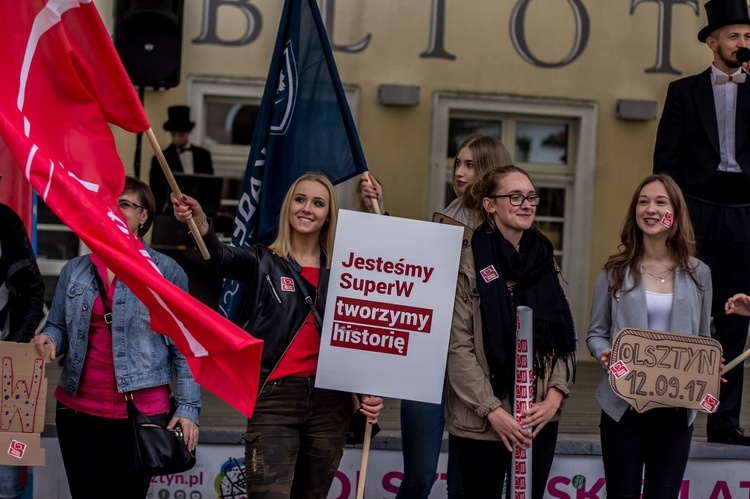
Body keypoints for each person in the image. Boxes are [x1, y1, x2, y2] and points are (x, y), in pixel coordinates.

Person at [172, 172, 383, 498]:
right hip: (274, 401)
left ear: (329, 214)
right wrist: (200, 222)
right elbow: (220, 256)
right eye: (300, 199)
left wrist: (369, 388)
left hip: (332, 404)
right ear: (288, 207)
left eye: (318, 203)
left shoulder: (347, 272)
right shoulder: (262, 260)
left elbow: (368, 330)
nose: (307, 208)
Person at [361, 134, 512, 499]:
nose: (459, 172)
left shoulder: (510, 229)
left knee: (465, 484)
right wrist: (378, 208)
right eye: (457, 163)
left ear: (490, 170)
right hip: (426, 362)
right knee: (418, 477)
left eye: (469, 165)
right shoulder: (446, 218)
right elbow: (408, 264)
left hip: (477, 367)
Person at [33, 177, 201, 499]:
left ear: (144, 217)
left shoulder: (165, 272)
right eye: (110, 203)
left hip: (142, 415)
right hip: (77, 412)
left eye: (125, 204)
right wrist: (50, 341)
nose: (115, 210)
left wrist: (189, 407)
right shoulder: (76, 269)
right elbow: (59, 326)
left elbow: (186, 347)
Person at [446, 165, 577, 499]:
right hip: (483, 420)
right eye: (515, 197)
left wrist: (554, 397)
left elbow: (564, 337)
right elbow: (457, 348)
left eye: (531, 197)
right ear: (490, 205)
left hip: (537, 417)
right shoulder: (468, 263)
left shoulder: (545, 259)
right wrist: (493, 410)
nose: (526, 204)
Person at [653, 0, 750, 445]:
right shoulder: (684, 91)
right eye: (734, 36)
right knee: (686, 308)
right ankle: (672, 408)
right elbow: (665, 162)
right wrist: (672, 217)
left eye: (748, 37)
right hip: (697, 207)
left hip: (745, 212)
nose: (743, 43)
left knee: (736, 314)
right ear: (712, 43)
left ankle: (724, 422)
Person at [586, 174, 713, 498]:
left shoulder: (699, 274)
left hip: (675, 411)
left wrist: (709, 368)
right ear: (635, 211)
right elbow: (596, 334)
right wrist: (605, 353)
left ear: (675, 212)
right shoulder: (613, 269)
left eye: (660, 202)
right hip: (622, 406)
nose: (650, 209)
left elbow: (702, 339)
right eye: (643, 202)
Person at [0, 198, 44, 499]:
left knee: (6, 484)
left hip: (3, 369)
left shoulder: (6, 222)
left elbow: (33, 288)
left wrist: (14, 347)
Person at [150, 105, 214, 214]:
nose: (176, 138)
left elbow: (210, 186)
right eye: (173, 135)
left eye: (180, 135)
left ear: (189, 132)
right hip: (170, 214)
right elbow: (156, 190)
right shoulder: (160, 158)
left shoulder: (203, 155)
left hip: (199, 211)